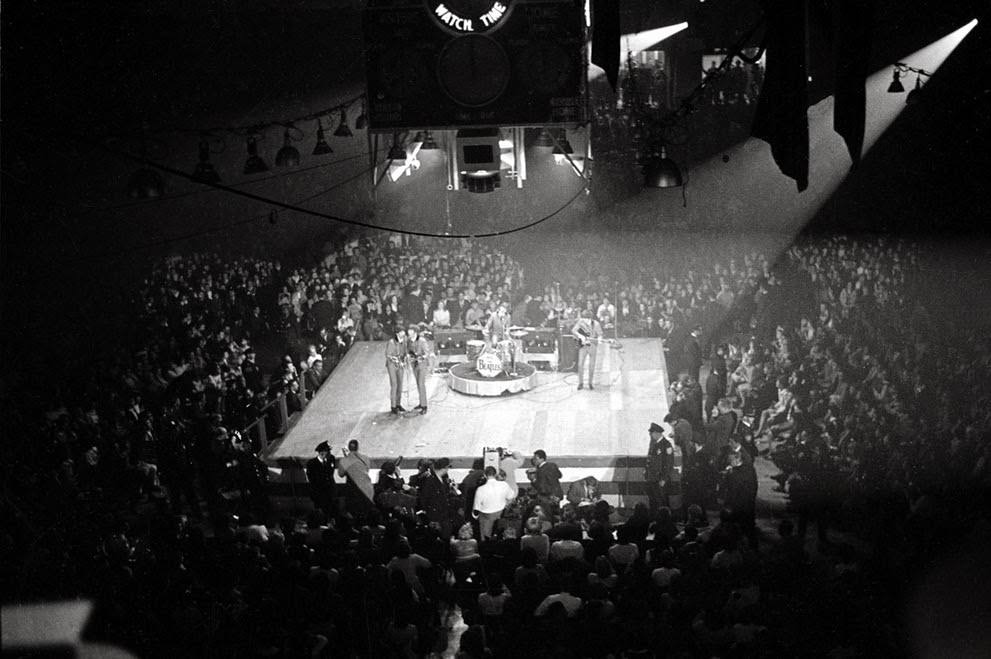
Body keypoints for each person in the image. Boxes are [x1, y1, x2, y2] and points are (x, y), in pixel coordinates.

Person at [473, 466, 516, 540]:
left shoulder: (480, 489)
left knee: (486, 540)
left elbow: (476, 508)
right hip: (501, 514)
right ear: (495, 474)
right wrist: (505, 506)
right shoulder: (504, 485)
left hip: (486, 517)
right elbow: (511, 496)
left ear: (484, 475)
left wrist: (475, 518)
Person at [418, 457, 455, 539]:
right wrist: (429, 519)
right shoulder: (430, 481)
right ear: (444, 468)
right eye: (448, 467)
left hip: (444, 516)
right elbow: (424, 499)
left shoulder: (442, 480)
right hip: (435, 518)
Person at [336, 439, 373, 516]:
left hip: (352, 489)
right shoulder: (365, 458)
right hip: (365, 487)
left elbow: (341, 474)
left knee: (353, 511)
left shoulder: (344, 460)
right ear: (357, 447)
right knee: (364, 510)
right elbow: (366, 469)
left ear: (349, 448)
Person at [645, 422, 675, 512]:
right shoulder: (654, 444)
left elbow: (669, 463)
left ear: (657, 433)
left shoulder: (666, 445)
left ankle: (665, 518)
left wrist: (664, 478)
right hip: (652, 477)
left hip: (660, 478)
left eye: (652, 433)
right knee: (653, 500)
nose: (651, 435)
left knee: (662, 501)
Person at [571, 309, 603, 390]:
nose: (584, 320)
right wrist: (580, 336)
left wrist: (599, 339)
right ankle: (580, 383)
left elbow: (600, 334)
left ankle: (590, 383)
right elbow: (573, 330)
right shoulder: (581, 322)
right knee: (580, 364)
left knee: (591, 365)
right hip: (583, 346)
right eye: (583, 318)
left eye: (586, 319)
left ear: (590, 318)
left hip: (592, 345)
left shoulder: (596, 324)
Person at [306, 441, 337, 516]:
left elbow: (330, 474)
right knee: (321, 512)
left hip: (329, 491)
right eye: (327, 451)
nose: (329, 453)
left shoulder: (331, 459)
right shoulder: (312, 463)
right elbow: (312, 479)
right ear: (322, 452)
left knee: (330, 511)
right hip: (319, 492)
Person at [406, 325, 431, 414]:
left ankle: (424, 406)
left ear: (415, 331)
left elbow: (427, 353)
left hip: (422, 365)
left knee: (421, 384)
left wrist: (422, 357)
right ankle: (421, 403)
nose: (409, 331)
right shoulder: (409, 340)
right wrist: (409, 356)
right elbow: (408, 350)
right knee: (418, 383)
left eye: (410, 330)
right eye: (409, 330)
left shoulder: (422, 341)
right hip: (414, 364)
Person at [385, 328, 407, 414]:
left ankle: (398, 404)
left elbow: (405, 352)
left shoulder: (404, 340)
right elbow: (388, 355)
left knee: (400, 384)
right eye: (402, 331)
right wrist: (397, 361)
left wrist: (404, 361)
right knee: (394, 384)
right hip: (392, 365)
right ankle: (393, 406)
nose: (404, 333)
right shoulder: (391, 342)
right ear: (397, 333)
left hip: (400, 364)